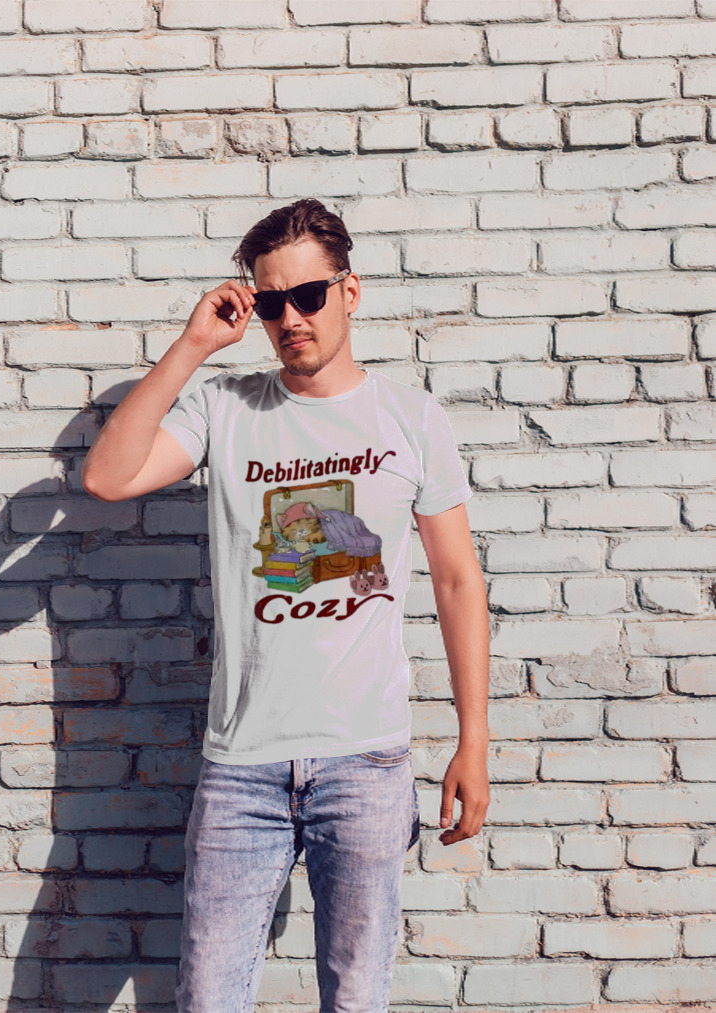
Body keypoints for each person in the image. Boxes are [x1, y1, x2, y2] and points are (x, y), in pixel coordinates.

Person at [82, 198, 490, 1013]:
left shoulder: (410, 419)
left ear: (350, 291)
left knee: (356, 1000)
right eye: (272, 303)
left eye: (308, 295)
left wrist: (473, 740)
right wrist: (194, 346)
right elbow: (107, 476)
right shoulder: (226, 408)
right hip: (242, 767)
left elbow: (457, 580)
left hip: (366, 762)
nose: (290, 319)